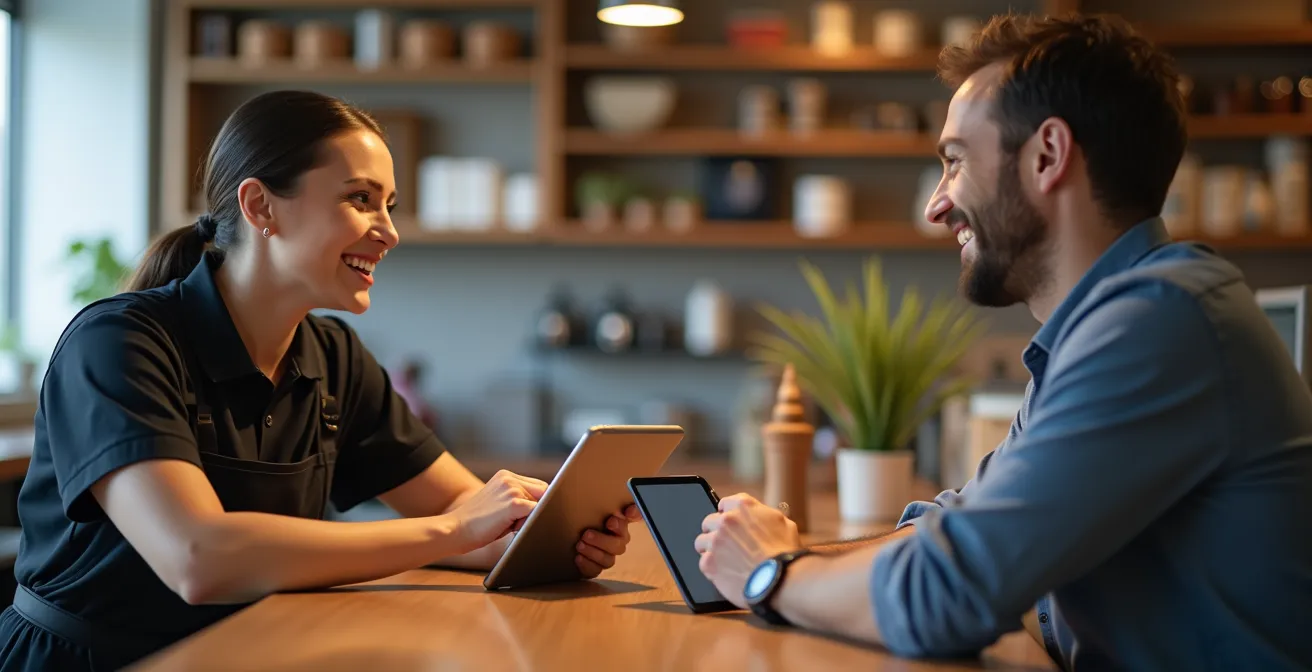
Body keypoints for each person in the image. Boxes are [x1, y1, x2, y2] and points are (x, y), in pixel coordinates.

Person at [695, 13, 1312, 672]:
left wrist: (771, 575)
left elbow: (947, 595)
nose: (937, 206)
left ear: (1047, 155)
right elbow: (957, 529)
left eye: (955, 161)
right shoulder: (1096, 330)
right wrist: (799, 561)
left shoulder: (1162, 320)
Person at [0, 90, 641, 671]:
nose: (389, 232)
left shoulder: (332, 355)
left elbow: (467, 519)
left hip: (249, 653)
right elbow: (198, 558)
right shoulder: (119, 343)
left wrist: (548, 538)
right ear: (260, 207)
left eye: (389, 205)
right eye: (360, 199)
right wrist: (453, 531)